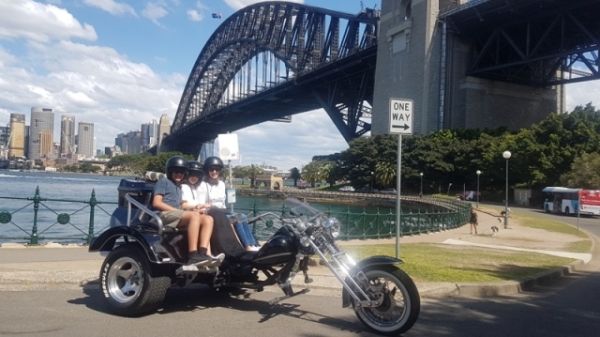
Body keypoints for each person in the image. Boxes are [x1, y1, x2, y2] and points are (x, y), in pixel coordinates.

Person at [152, 156, 222, 269]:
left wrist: (196, 209)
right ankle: (193, 254)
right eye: (176, 172)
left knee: (208, 219)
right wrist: (177, 211)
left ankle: (203, 253)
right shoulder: (163, 182)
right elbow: (156, 203)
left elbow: (182, 205)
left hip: (177, 215)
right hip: (162, 215)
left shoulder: (179, 187)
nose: (179, 174)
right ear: (170, 171)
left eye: (182, 172)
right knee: (194, 216)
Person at [181, 159, 246, 256]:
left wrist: (202, 206)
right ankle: (230, 250)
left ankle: (247, 245)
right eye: (191, 175)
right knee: (224, 219)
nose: (194, 178)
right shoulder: (187, 187)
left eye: (197, 175)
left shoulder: (197, 187)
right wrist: (200, 206)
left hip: (209, 211)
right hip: (198, 213)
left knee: (242, 217)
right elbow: (185, 204)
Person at [203, 156, 260, 252]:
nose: (214, 172)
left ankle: (252, 243)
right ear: (207, 171)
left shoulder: (221, 184)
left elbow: (223, 201)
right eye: (211, 169)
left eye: (216, 169)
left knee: (243, 216)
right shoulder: (204, 185)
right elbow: (204, 203)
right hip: (213, 213)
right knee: (236, 219)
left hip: (223, 210)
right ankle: (247, 246)